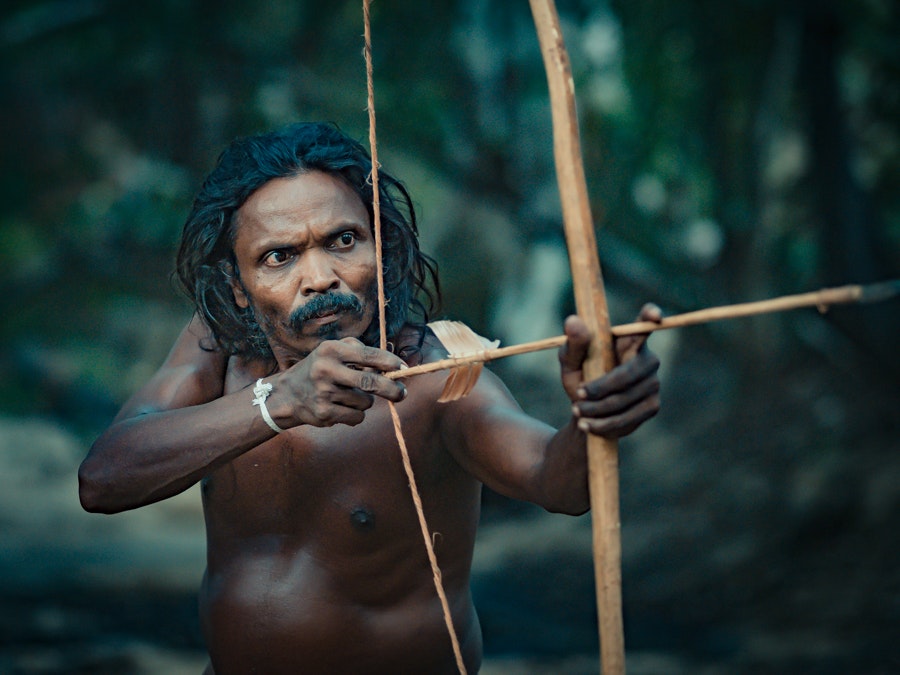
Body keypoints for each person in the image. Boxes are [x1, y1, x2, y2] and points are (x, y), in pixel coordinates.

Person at [79, 122, 661, 674]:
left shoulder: (436, 376)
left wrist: (594, 415)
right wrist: (278, 401)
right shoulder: (219, 350)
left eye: (343, 240)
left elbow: (557, 482)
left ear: (381, 252)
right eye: (279, 256)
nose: (320, 277)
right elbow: (104, 479)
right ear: (237, 288)